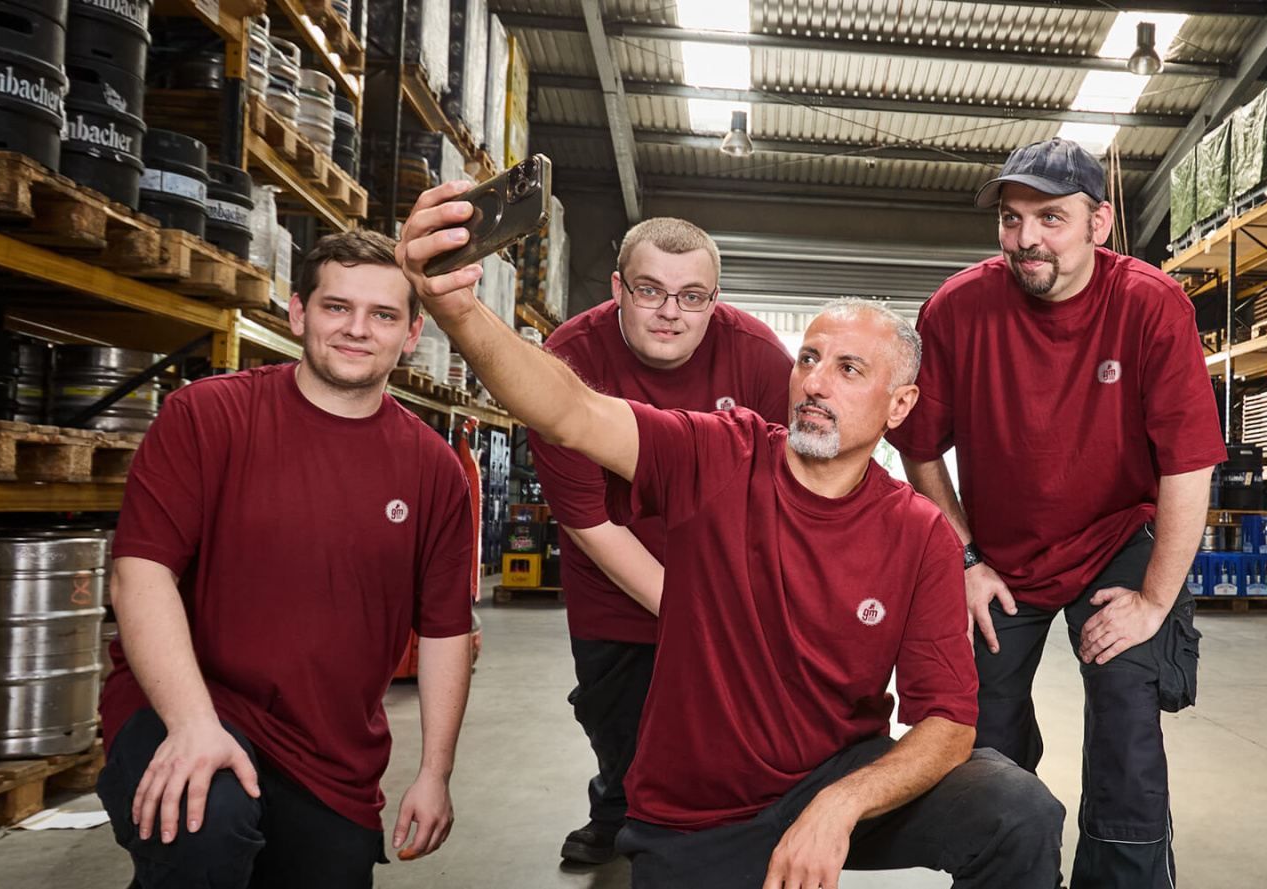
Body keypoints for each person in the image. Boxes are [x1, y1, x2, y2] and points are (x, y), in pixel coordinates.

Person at [396, 181, 1068, 889]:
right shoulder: (720, 454)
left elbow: (949, 725)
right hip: (699, 811)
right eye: (808, 359)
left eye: (848, 369)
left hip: (835, 771)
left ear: (899, 404)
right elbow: (572, 411)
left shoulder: (919, 532)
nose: (815, 383)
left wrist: (840, 804)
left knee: (1017, 807)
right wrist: (458, 309)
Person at [94, 230, 478, 887]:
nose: (357, 329)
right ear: (299, 313)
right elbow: (141, 573)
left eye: (383, 314)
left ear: (412, 334)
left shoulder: (434, 470)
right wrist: (191, 724)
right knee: (206, 825)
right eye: (337, 307)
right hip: (188, 702)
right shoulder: (208, 416)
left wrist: (435, 773)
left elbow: (446, 630)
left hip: (328, 752)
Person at [890, 137, 1225, 887]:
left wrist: (1154, 602)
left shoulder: (1150, 303)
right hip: (1002, 552)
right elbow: (918, 450)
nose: (1026, 238)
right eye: (1011, 219)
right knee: (983, 733)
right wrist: (964, 558)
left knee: (1127, 712)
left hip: (1117, 538)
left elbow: (1187, 465)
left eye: (1050, 218)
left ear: (1098, 224)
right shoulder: (958, 308)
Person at [531, 217, 793, 864]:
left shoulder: (759, 358)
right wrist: (693, 611)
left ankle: (698, 829)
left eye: (692, 296)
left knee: (718, 727)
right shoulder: (567, 359)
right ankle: (613, 809)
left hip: (723, 582)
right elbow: (589, 519)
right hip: (613, 583)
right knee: (615, 719)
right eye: (650, 290)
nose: (671, 312)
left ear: (715, 298)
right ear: (617, 287)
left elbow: (792, 488)